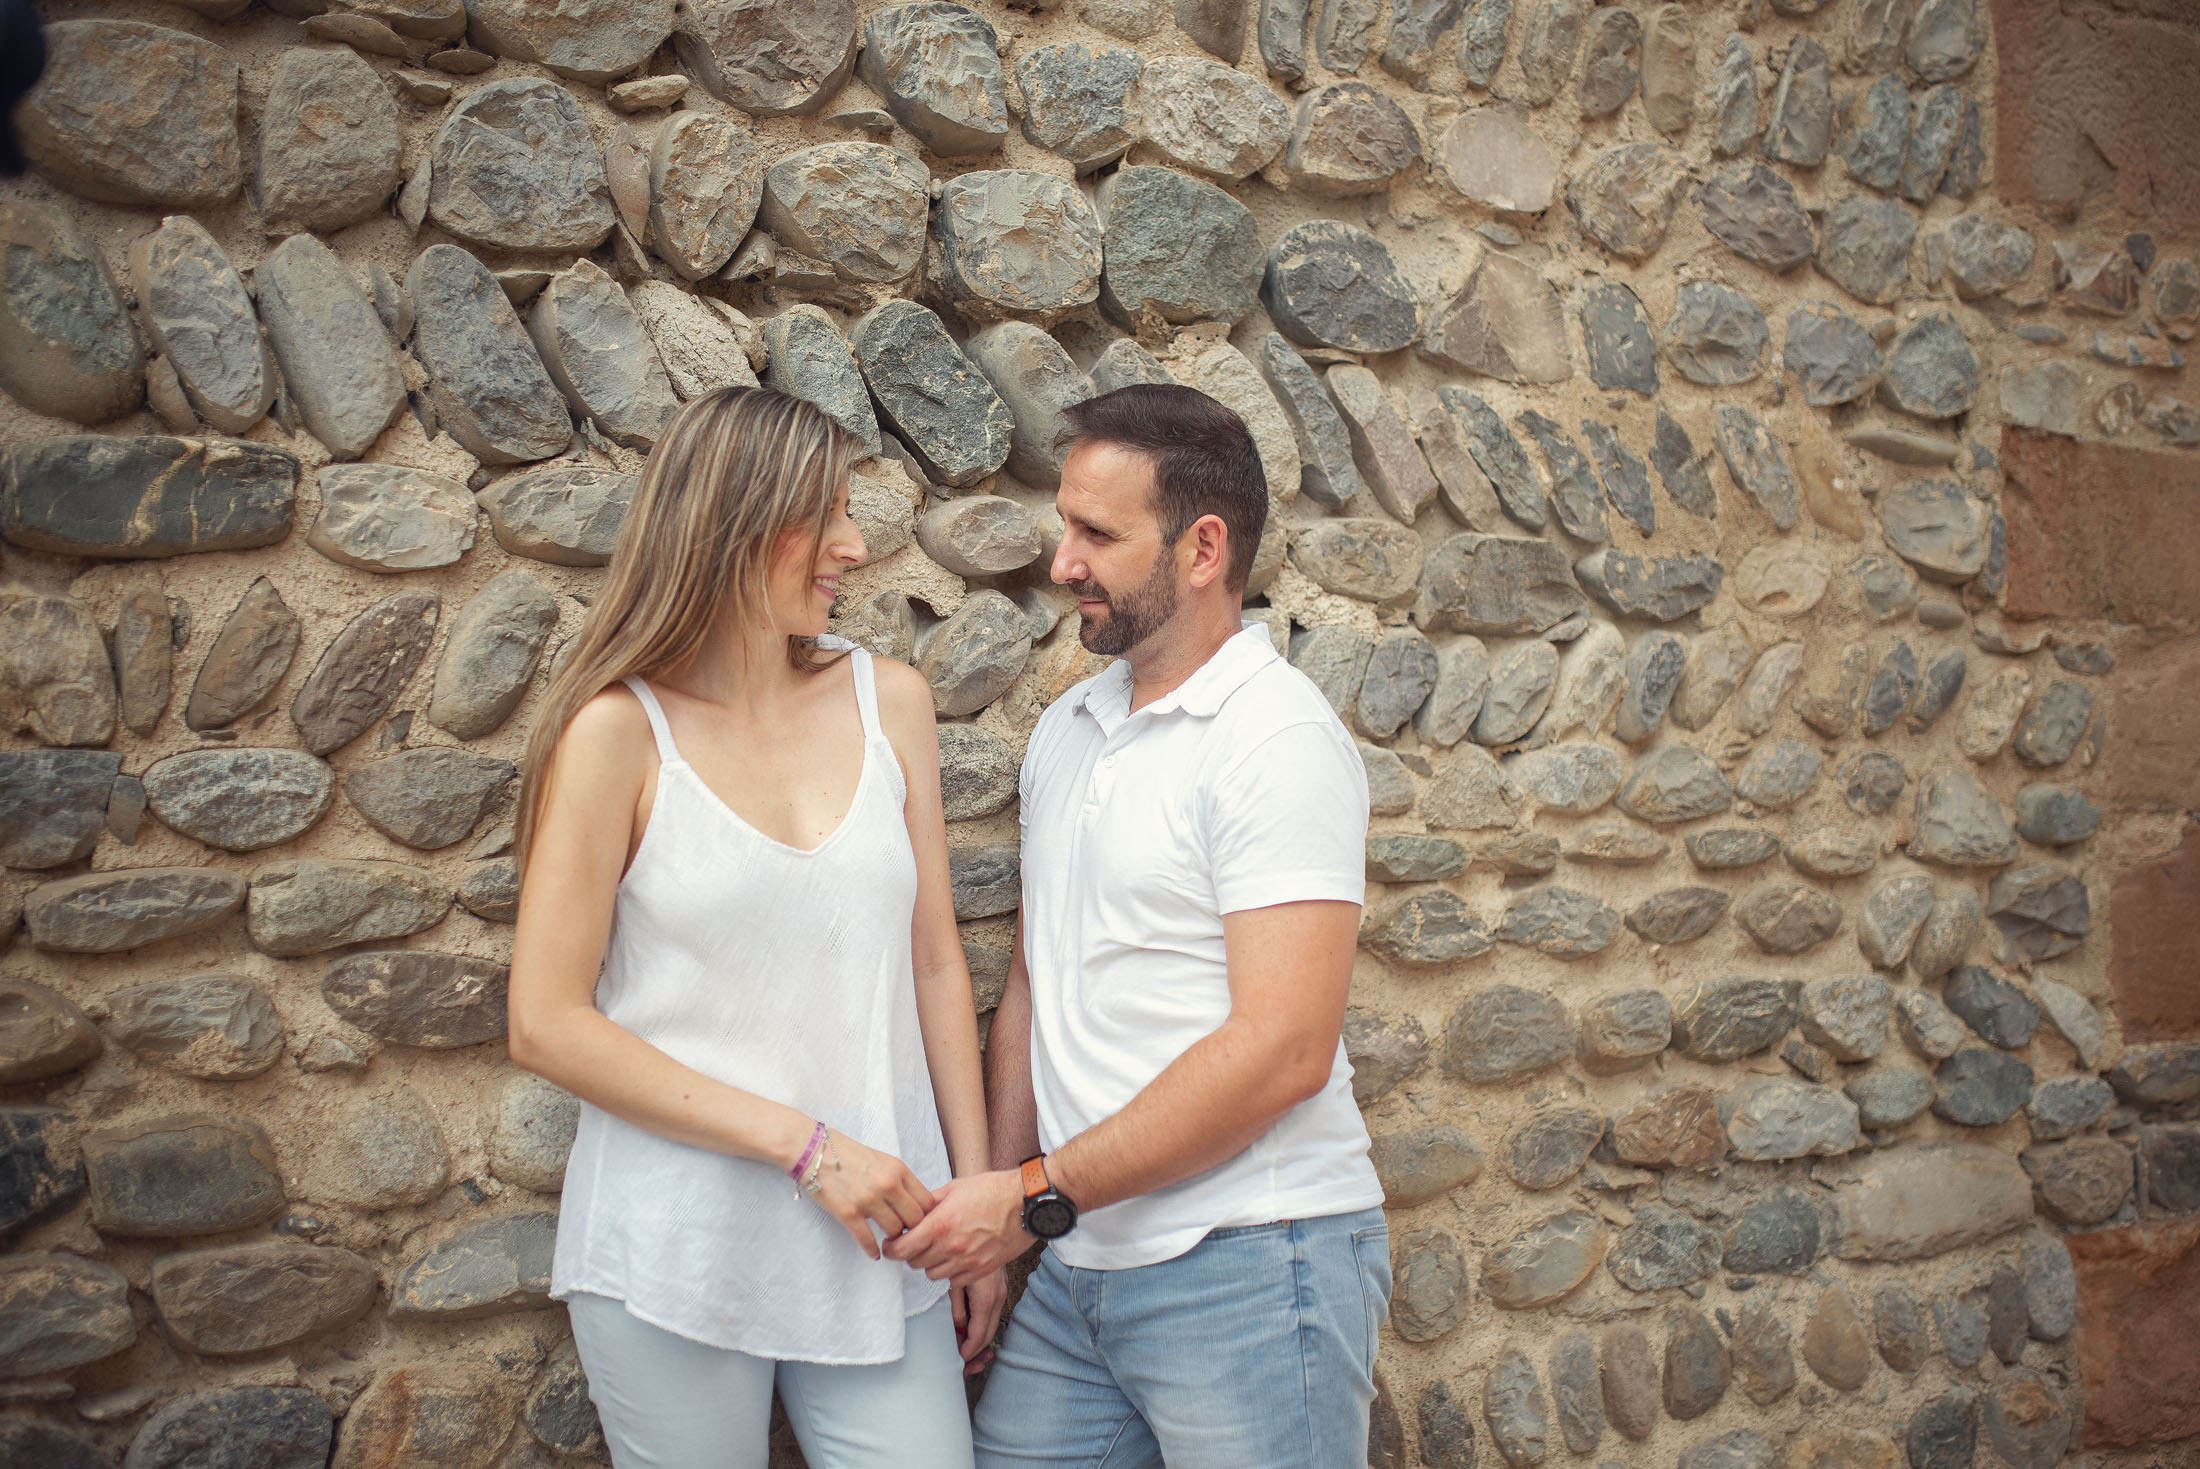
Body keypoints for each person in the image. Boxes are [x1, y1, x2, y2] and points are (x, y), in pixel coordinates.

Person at [887, 384, 1390, 1467]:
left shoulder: (1276, 740)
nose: (1063, 560)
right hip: (1079, 1269)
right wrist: (998, 1219)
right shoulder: (1070, 725)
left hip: (1253, 1261)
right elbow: (1036, 985)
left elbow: (1283, 1049)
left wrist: (1027, 1199)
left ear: (1203, 548)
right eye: (1067, 523)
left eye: (1096, 533)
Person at [507, 386, 1002, 1469]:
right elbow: (545, 1022)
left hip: (893, 1235)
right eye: (824, 514)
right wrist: (808, 1147)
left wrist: (974, 1205)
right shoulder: (615, 735)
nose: (856, 546)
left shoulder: (892, 701)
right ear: (733, 525)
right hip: (677, 1242)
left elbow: (932, 961)